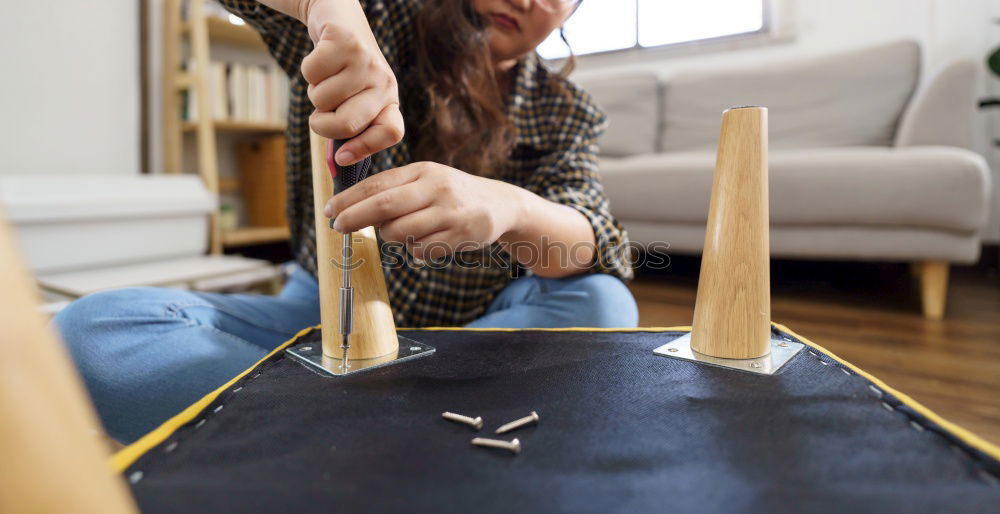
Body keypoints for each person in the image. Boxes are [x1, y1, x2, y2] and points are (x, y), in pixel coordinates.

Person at [54, 0, 638, 443]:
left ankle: (340, 430)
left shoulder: (567, 111)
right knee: (92, 336)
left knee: (603, 303)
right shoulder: (392, 17)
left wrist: (514, 209)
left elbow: (592, 241)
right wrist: (320, 6)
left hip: (477, 332)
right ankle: (421, 432)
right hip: (322, 312)